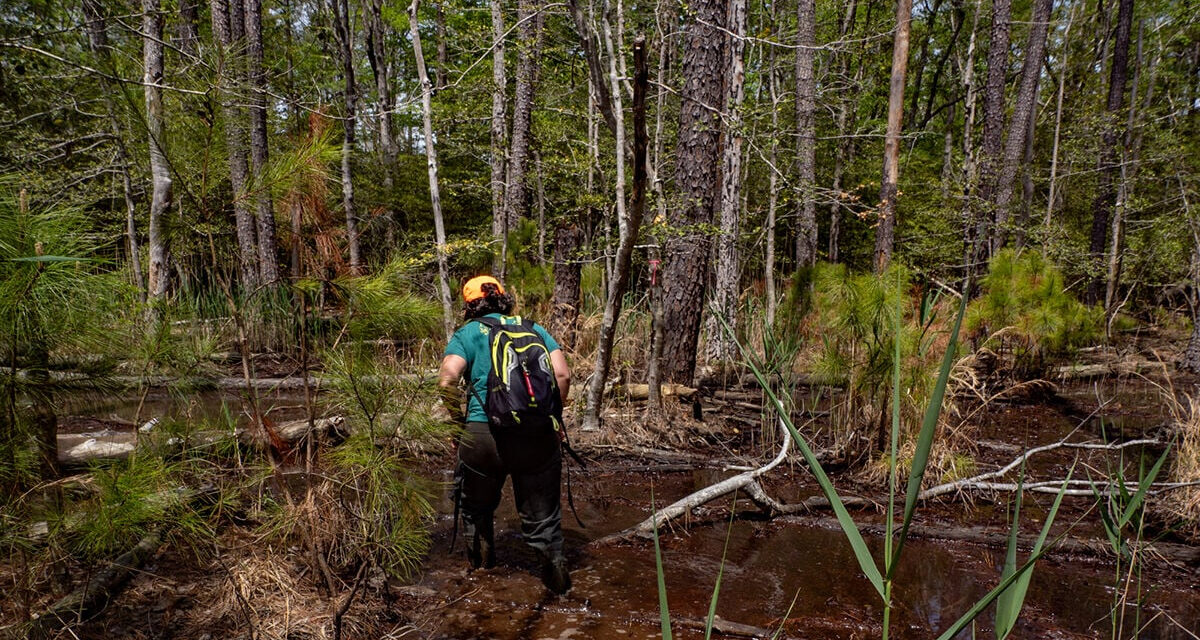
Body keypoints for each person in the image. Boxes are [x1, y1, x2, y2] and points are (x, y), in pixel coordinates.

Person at [437, 275, 573, 594]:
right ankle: (558, 586)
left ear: (469, 305)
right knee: (544, 518)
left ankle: (484, 587)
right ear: (502, 297)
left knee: (476, 509)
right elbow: (563, 374)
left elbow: (446, 381)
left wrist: (458, 425)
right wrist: (554, 418)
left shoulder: (466, 334)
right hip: (535, 434)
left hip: (482, 434)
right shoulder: (533, 328)